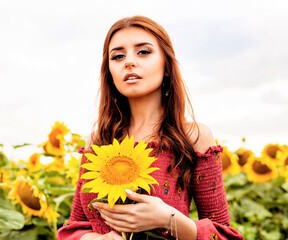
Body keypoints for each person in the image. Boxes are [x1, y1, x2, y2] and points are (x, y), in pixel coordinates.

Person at [57, 16, 244, 240]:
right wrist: (97, 239)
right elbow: (73, 229)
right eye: (118, 56)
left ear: (166, 66)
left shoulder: (194, 137)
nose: (129, 62)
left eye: (143, 52)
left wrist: (168, 218)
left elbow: (224, 235)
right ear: (110, 73)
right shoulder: (99, 141)